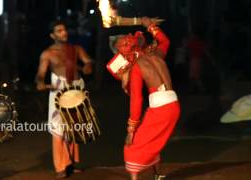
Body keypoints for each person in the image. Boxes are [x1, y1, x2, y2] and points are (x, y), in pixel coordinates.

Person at [107, 17, 180, 180]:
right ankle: (157, 175)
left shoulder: (136, 67)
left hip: (161, 108)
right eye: (123, 43)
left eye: (126, 40)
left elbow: (136, 100)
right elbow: (164, 41)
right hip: (173, 105)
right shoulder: (155, 53)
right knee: (151, 142)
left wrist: (131, 129)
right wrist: (150, 26)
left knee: (133, 146)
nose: (127, 41)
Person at [35, 20, 93, 178]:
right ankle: (60, 167)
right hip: (58, 91)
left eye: (65, 29)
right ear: (52, 35)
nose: (64, 32)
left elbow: (88, 62)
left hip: (76, 90)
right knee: (58, 129)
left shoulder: (76, 49)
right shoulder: (48, 53)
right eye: (59, 30)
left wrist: (87, 67)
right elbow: (40, 74)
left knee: (74, 128)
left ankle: (70, 164)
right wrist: (40, 82)